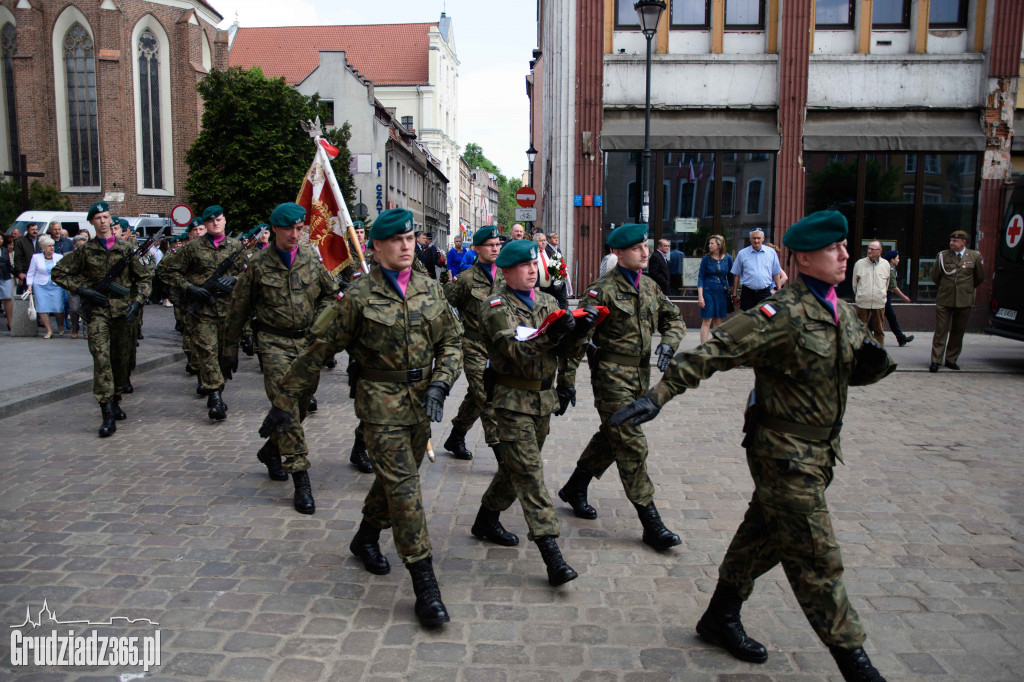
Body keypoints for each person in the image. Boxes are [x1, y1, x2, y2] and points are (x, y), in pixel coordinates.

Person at [611, 210, 894, 682]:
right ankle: (858, 667)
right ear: (804, 258)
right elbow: (713, 351)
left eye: (846, 246)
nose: (846, 254)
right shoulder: (779, 314)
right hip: (783, 455)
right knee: (817, 559)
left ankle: (720, 617)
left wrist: (874, 361)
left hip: (821, 455)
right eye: (834, 248)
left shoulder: (841, 312)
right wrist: (657, 396)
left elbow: (853, 372)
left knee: (762, 537)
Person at [261, 208, 462, 628]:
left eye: (410, 238)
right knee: (405, 490)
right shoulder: (357, 296)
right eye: (396, 240)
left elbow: (452, 345)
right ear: (376, 247)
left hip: (421, 404)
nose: (406, 246)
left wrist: (441, 384)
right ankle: (426, 587)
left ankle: (365, 538)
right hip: (379, 407)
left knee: (392, 482)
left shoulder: (431, 289)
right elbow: (317, 349)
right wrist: (284, 402)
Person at [476, 239, 599, 586]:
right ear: (507, 270)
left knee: (514, 469)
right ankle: (551, 554)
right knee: (530, 473)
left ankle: (485, 520)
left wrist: (580, 331)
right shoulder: (496, 306)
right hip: (511, 401)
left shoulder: (547, 301)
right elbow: (515, 351)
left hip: (542, 400)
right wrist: (552, 335)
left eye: (535, 265)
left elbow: (562, 348)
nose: (532, 271)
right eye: (524, 266)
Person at [558, 223, 685, 550]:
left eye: (646, 245)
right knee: (631, 444)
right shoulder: (602, 291)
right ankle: (651, 522)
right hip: (611, 377)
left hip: (640, 378)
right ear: (617, 252)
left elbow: (674, 319)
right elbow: (579, 339)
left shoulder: (650, 287)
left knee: (612, 436)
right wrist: (566, 380)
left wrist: (669, 343)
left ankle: (575, 487)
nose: (645, 252)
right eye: (637, 248)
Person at [222, 203, 338, 514]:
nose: (294, 234)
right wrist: (229, 347)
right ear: (274, 228)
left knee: (300, 406)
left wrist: (321, 323)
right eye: (288, 228)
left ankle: (271, 450)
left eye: (300, 229)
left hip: (306, 344)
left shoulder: (311, 262)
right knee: (285, 409)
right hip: (273, 342)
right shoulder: (258, 264)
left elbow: (332, 294)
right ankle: (300, 477)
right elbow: (239, 307)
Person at [51, 202, 152, 437]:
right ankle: (106, 411)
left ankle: (116, 398)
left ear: (111, 220)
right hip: (98, 313)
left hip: (123, 313)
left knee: (121, 360)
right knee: (101, 358)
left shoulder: (127, 249)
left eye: (106, 217)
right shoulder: (85, 252)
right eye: (98, 218)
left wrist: (137, 301)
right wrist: (83, 290)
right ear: (92, 223)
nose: (103, 221)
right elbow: (58, 272)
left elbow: (145, 278)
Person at [162, 205, 243, 419]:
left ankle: (217, 386)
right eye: (211, 220)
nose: (215, 223)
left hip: (229, 311)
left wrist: (235, 280)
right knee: (207, 351)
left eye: (219, 219)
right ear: (205, 224)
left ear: (225, 221)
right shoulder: (192, 248)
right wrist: (190, 288)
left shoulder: (236, 247)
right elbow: (171, 272)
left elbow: (252, 275)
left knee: (225, 356)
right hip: (202, 310)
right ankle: (215, 395)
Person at [442, 225, 503, 461]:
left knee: (475, 396)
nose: (495, 248)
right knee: (487, 397)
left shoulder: (505, 275)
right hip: (473, 347)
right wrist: (454, 334)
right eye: (490, 245)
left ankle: (456, 436)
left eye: (498, 244)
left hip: (498, 348)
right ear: (477, 248)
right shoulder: (465, 280)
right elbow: (443, 307)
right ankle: (502, 455)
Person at [929, 229, 984, 372]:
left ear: (963, 242)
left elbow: (979, 278)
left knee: (958, 331)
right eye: (951, 240)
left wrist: (966, 289)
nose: (951, 243)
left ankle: (951, 359)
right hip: (944, 299)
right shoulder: (943, 256)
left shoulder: (974, 256)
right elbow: (935, 276)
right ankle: (936, 360)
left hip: (964, 300)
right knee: (941, 330)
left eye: (955, 241)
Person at [730, 228, 783, 311]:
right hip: (748, 293)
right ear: (750, 239)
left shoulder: (771, 253)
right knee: (746, 319)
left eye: (758, 238)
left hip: (764, 292)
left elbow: (776, 273)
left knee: (765, 318)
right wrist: (734, 295)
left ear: (763, 238)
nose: (756, 240)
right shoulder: (742, 253)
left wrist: (779, 291)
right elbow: (736, 275)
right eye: (754, 238)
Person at [25, 235, 67, 339]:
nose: (52, 248)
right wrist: (29, 286)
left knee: (58, 308)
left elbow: (64, 272)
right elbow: (31, 273)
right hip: (40, 285)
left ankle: (61, 325)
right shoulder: (36, 257)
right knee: (42, 308)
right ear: (43, 248)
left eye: (53, 246)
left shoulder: (59, 257)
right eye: (49, 246)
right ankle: (49, 330)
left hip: (56, 285)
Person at [697, 234, 735, 344]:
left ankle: (715, 346)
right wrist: (700, 296)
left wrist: (733, 294)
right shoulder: (706, 259)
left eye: (712, 243)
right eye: (709, 243)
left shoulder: (727, 258)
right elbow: (700, 277)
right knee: (707, 319)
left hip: (722, 292)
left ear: (719, 245)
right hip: (708, 291)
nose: (709, 245)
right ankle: (703, 346)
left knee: (718, 320)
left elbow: (731, 277)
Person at [851, 240, 888, 345]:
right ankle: (861, 353)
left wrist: (881, 295)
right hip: (863, 302)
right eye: (869, 248)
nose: (869, 250)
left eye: (872, 249)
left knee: (879, 331)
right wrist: (860, 295)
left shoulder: (885, 265)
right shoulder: (860, 264)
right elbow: (855, 284)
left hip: (879, 302)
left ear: (879, 251)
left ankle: (879, 355)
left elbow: (886, 283)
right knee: (861, 330)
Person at [875, 250, 913, 347]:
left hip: (885, 295)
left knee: (887, 317)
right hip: (885, 295)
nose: (899, 260)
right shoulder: (889, 269)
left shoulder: (890, 268)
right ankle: (862, 336)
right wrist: (904, 297)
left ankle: (901, 338)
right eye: (897, 258)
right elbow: (893, 287)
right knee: (878, 318)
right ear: (892, 260)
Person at [534, 232, 569, 309]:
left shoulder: (549, 252)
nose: (543, 242)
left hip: (550, 288)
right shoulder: (532, 254)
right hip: (538, 288)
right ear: (535, 242)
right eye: (541, 241)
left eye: (544, 240)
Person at [66, 234, 89, 338]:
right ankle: (75, 328)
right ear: (75, 245)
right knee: (74, 309)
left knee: (86, 308)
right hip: (73, 286)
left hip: (87, 286)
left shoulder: (91, 256)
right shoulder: (68, 256)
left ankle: (87, 331)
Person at [13, 222, 39, 294]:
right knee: (24, 293)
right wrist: (20, 272)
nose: (35, 231)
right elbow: (18, 258)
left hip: (38, 271)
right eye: (32, 229)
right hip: (25, 271)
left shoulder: (40, 240)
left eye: (36, 229)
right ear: (27, 230)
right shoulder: (20, 241)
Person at [0, 233, 12, 330]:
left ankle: (10, 322)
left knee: (8, 298)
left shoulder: (4, 250)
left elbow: (8, 265)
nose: (0, 240)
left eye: (1, 239)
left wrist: (18, 274)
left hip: (5, 276)